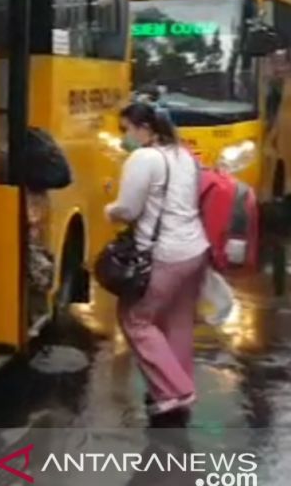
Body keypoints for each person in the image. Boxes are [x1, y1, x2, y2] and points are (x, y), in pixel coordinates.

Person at [107, 102, 212, 425]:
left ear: (146, 129)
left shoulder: (144, 158)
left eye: (126, 129)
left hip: (165, 252)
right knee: (178, 321)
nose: (124, 138)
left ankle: (175, 391)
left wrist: (108, 210)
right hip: (195, 249)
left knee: (135, 318)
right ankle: (176, 390)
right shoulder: (184, 155)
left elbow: (127, 209)